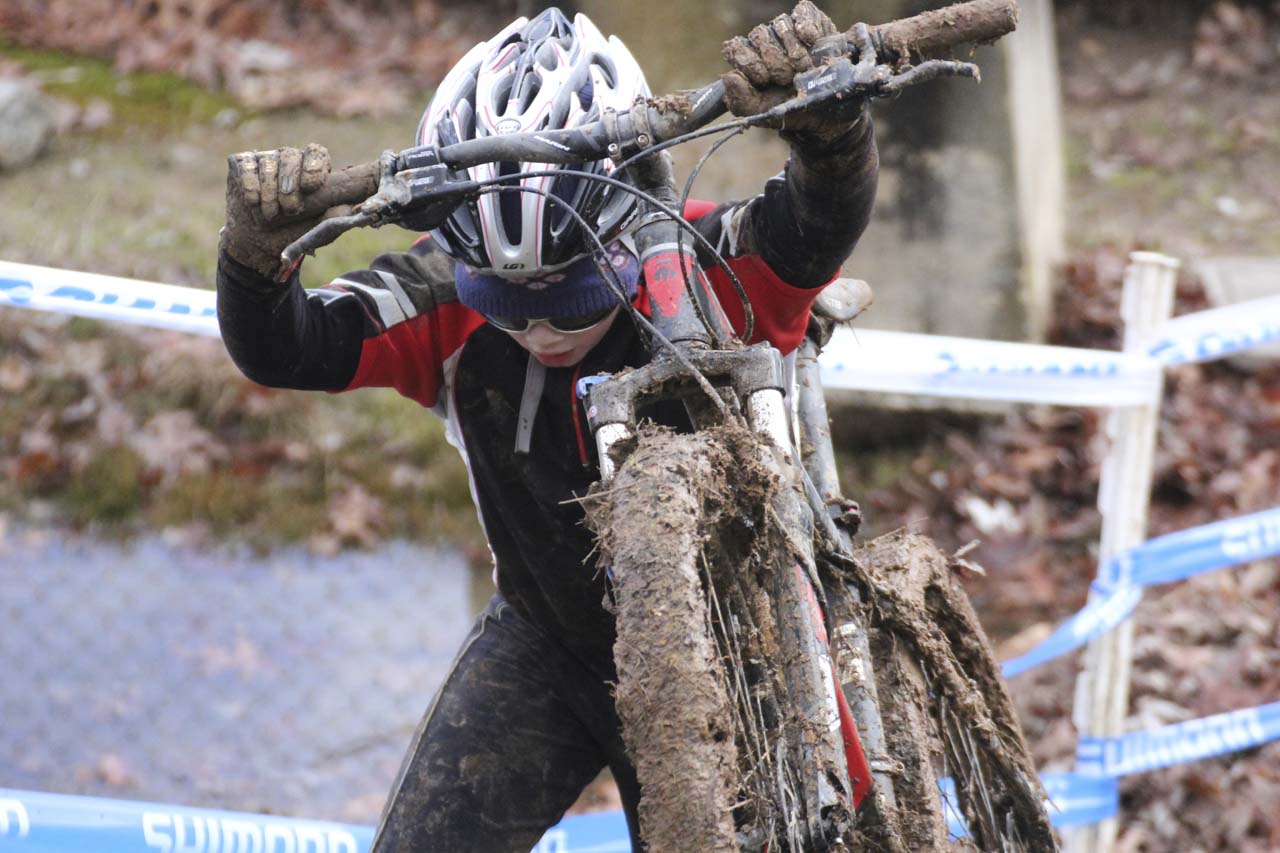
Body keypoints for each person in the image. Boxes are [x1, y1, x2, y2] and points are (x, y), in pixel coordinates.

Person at [216, 3, 878, 849]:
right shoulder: (439, 293)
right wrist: (255, 258)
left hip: (734, 648)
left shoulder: (705, 262)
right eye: (506, 304)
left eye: (569, 295)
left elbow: (814, 226)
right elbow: (288, 349)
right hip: (549, 640)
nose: (538, 330)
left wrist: (830, 132)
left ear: (623, 223)